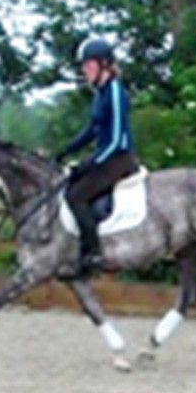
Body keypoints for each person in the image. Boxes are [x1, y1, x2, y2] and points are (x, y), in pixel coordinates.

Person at [55, 37, 139, 276]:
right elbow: (91, 130)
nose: (84, 70)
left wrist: (90, 163)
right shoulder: (99, 94)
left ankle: (93, 254)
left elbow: (117, 139)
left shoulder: (115, 91)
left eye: (88, 65)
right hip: (106, 157)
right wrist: (66, 150)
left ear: (104, 65)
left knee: (75, 196)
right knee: (70, 186)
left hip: (118, 159)